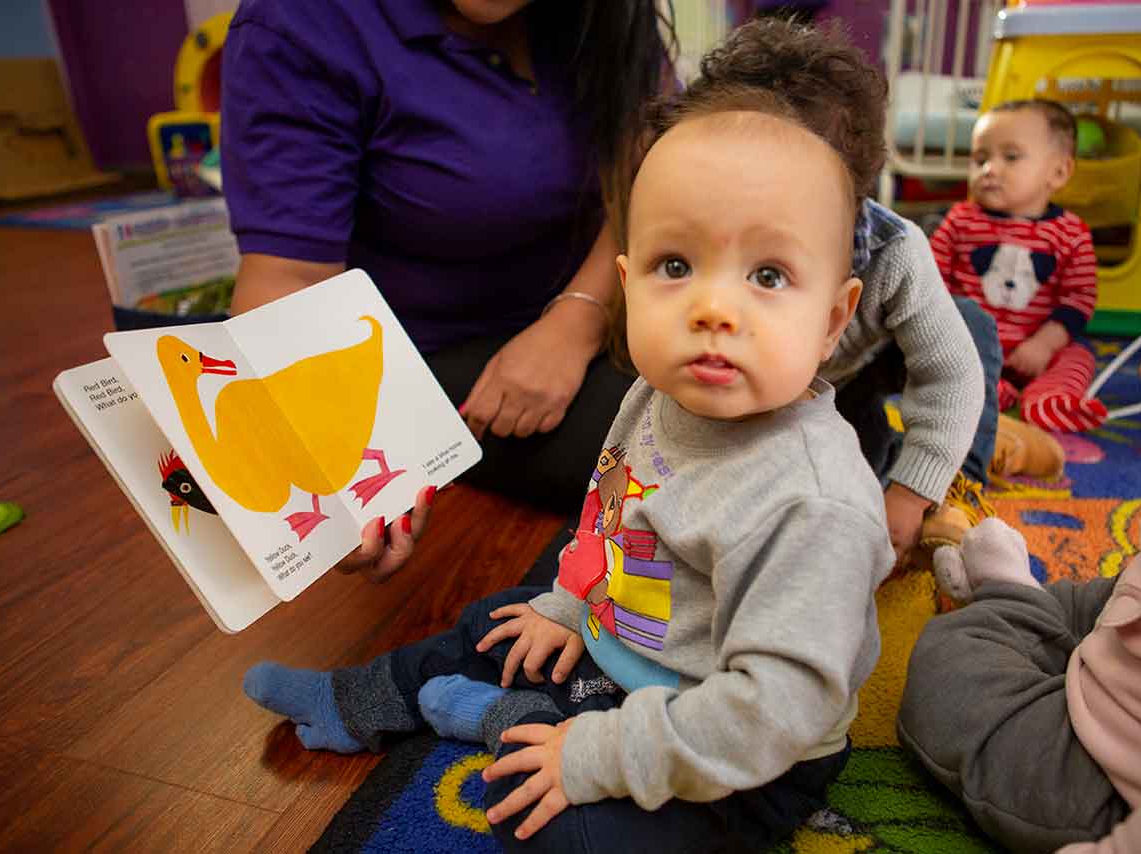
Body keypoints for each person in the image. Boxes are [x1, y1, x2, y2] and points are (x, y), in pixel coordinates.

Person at [242, 19, 897, 853]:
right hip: (620, 648)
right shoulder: (656, 398)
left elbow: (768, 715)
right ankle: (360, 701)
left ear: (836, 316)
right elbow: (609, 519)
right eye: (674, 266)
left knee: (564, 834)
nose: (713, 308)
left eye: (768, 276)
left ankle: (519, 721)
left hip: (737, 753)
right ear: (626, 286)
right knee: (494, 623)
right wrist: (564, 604)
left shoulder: (816, 501)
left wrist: (594, 756)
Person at [898, 151, 1141, 853]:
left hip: (1100, 778)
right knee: (1103, 595)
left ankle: (1006, 602)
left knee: (950, 659)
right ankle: (1021, 599)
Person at [220, 0, 673, 529]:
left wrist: (576, 321)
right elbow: (287, 285)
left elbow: (644, 178)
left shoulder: (608, 17)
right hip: (410, 363)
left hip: (597, 315)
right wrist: (335, 485)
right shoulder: (301, 24)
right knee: (691, 454)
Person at [931, 98, 1106, 434]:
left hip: (1039, 345)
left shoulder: (1071, 233)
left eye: (1010, 157)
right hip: (972, 344)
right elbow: (931, 280)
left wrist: (1044, 344)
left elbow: (1078, 299)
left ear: (1058, 172)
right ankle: (987, 394)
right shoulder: (959, 221)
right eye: (980, 159)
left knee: (1079, 356)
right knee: (950, 364)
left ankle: (1050, 399)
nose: (989, 169)